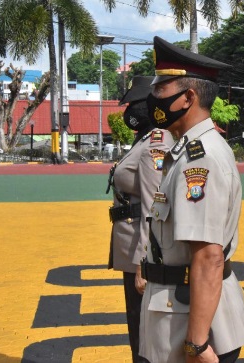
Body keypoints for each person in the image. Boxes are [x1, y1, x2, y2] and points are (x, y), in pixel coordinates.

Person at [139, 36, 244, 363]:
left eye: (161, 90)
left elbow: (208, 257)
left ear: (187, 98)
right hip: (179, 309)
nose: (153, 98)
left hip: (187, 322)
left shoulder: (198, 160)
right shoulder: (186, 151)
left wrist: (196, 345)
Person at [107, 75, 175, 362]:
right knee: (137, 328)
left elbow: (152, 205)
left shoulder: (156, 142)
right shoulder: (144, 139)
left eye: (136, 104)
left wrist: (144, 263)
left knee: (144, 333)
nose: (131, 111)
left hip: (140, 251)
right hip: (129, 246)